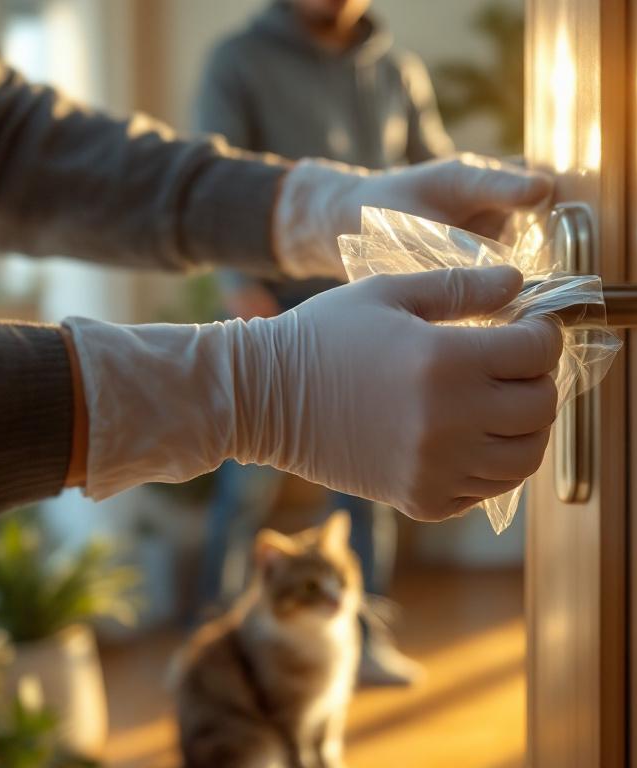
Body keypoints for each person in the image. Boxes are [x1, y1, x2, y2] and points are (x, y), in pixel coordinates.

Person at [0, 0, 560, 543]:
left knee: (364, 508)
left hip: (362, 316)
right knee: (247, 505)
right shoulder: (240, 60)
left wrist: (325, 208)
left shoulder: (395, 71)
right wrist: (244, 389)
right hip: (276, 314)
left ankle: (363, 626)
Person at [193, 0, 456, 685]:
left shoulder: (399, 70)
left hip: (375, 303)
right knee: (246, 480)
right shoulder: (238, 61)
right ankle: (222, 644)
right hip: (272, 303)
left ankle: (362, 640)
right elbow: (212, 175)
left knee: (371, 480)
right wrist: (235, 284)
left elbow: (436, 174)